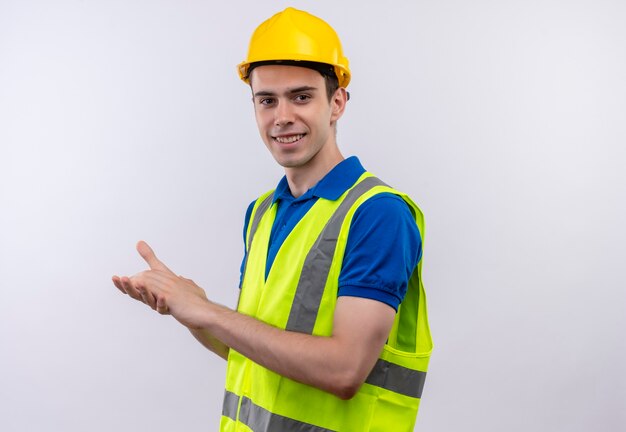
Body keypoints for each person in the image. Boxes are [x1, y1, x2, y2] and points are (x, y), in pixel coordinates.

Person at [112, 7, 432, 432]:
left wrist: (209, 311)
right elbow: (250, 351)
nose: (282, 116)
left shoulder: (378, 214)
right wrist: (185, 308)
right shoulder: (263, 211)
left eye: (301, 96)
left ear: (337, 102)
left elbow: (345, 371)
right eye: (267, 100)